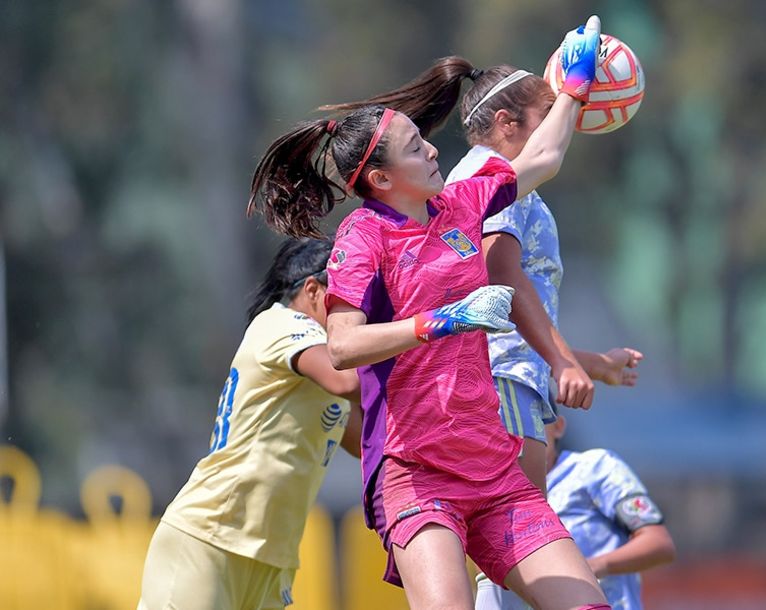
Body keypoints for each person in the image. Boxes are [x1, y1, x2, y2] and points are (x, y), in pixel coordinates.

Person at [246, 15, 613, 610]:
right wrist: (444, 319)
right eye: (417, 148)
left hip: (494, 471)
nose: (435, 148)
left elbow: (542, 156)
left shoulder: (460, 204)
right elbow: (342, 347)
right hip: (418, 476)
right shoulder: (362, 239)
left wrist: (572, 88)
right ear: (382, 178)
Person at [138, 237, 363, 610]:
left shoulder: (323, 364)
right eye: (349, 294)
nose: (358, 309)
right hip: (208, 541)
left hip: (272, 562)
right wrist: (414, 335)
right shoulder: (280, 324)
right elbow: (351, 381)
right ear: (312, 290)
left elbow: (365, 443)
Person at [476, 415, 676, 610]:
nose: (523, 433)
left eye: (536, 420)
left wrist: (593, 567)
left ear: (559, 426)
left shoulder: (595, 468)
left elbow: (659, 543)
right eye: (507, 424)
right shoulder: (493, 495)